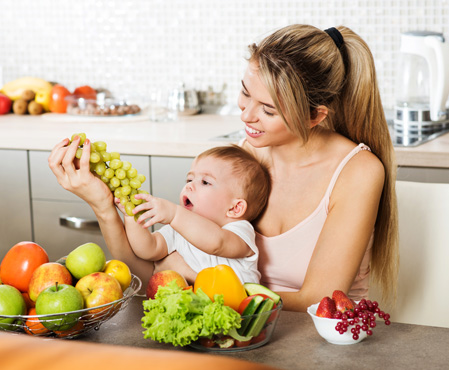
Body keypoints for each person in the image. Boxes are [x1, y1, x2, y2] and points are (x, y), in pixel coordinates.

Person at [48, 24, 398, 313]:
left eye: (268, 110)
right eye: (245, 93)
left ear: (315, 116)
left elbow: (317, 301)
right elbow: (152, 269)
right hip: (236, 333)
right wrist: (103, 206)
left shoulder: (358, 172)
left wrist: (200, 290)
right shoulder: (243, 160)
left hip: (320, 343)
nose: (246, 115)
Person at [114, 145, 271, 284]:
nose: (189, 186)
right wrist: (132, 215)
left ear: (235, 208)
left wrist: (175, 214)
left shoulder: (239, 230)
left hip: (240, 314)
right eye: (189, 179)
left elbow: (217, 243)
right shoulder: (178, 228)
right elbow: (149, 249)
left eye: (205, 182)